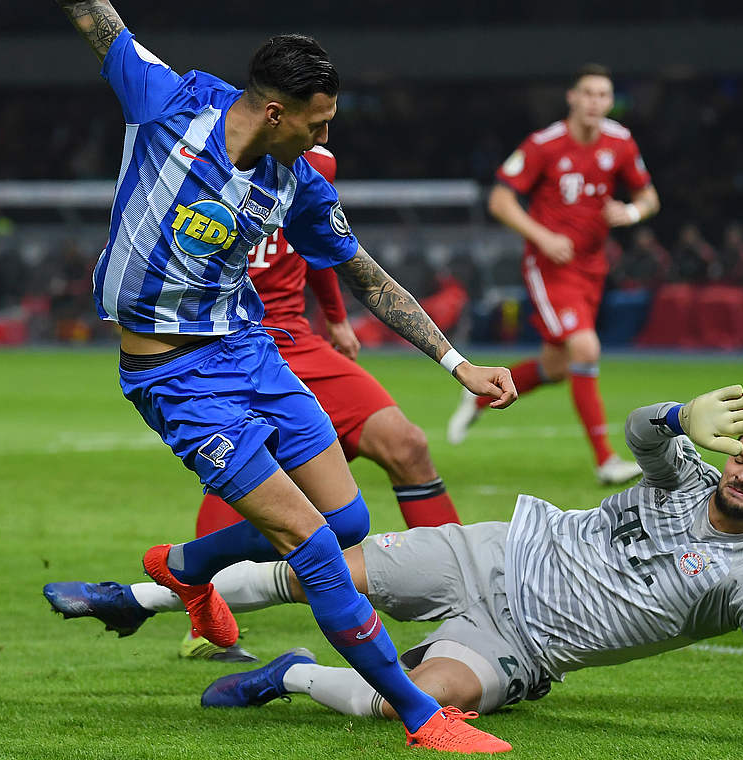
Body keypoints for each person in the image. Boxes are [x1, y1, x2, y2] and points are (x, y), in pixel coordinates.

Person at [52, 2, 516, 752]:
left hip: (250, 351)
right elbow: (97, 19)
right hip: (175, 377)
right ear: (275, 113)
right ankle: (422, 715)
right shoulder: (169, 102)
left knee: (349, 524)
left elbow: (363, 274)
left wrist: (457, 362)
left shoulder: (295, 183)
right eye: (319, 123)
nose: (325, 138)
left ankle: (184, 568)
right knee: (314, 544)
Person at [192, 385, 743, 725]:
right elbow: (642, 435)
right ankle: (167, 591)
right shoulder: (686, 475)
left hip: (523, 646)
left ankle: (289, 677)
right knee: (321, 574)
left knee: (409, 706)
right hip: (493, 553)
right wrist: (674, 416)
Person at [46, 146, 463, 660]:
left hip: (294, 338)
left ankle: (460, 591)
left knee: (405, 444)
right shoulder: (192, 158)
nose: (321, 127)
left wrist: (334, 317)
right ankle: (188, 613)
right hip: (224, 339)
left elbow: (323, 242)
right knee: (256, 491)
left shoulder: (316, 167)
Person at [448, 64, 661, 485]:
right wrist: (542, 237)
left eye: (603, 95)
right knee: (585, 348)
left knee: (558, 365)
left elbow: (649, 195)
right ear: (572, 97)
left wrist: (632, 212)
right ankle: (605, 460)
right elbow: (500, 201)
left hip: (592, 267)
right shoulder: (544, 144)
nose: (595, 102)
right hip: (550, 268)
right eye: (588, 93)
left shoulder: (619, 141)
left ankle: (478, 397)